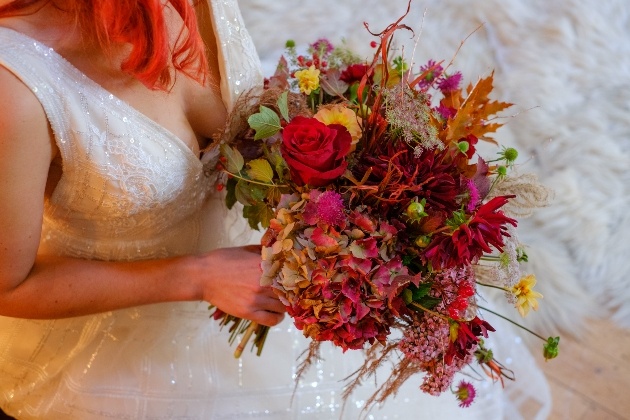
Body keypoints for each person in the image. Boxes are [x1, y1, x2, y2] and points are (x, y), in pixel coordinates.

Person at [0, 0, 552, 418]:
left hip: (273, 272)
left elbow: (242, 130)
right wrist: (196, 276)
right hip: (128, 337)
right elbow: (8, 284)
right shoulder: (15, 86)